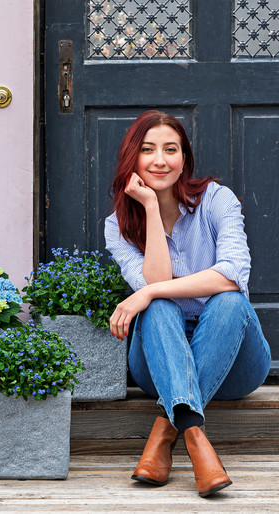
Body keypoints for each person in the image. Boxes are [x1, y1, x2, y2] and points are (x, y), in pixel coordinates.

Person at [104, 110, 271, 498]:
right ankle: (195, 436)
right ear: (133, 159)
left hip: (236, 364)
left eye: (171, 149)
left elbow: (231, 274)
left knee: (228, 301)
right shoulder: (118, 225)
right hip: (159, 363)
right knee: (160, 306)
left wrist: (145, 292)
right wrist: (148, 207)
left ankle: (165, 430)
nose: (160, 160)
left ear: (184, 159)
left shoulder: (216, 200)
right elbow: (159, 282)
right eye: (148, 150)